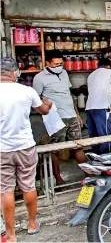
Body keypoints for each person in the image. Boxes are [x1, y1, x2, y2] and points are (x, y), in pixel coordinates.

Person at [1, 57, 53, 242]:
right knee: (28, 185)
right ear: (15, 73)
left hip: (2, 149)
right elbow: (43, 110)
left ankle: (10, 234)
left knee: (6, 189)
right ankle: (32, 225)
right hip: (25, 146)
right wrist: (48, 104)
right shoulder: (27, 91)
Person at [33, 55, 86, 186]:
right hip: (56, 118)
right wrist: (45, 111)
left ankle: (89, 175)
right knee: (55, 149)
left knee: (78, 146)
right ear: (48, 63)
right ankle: (58, 179)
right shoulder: (39, 78)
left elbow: (68, 95)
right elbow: (35, 99)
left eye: (61, 64)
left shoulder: (64, 73)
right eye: (56, 64)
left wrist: (77, 114)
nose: (59, 67)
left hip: (71, 116)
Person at [85, 58, 111, 154]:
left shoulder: (91, 75)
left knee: (94, 136)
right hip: (101, 107)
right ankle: (106, 158)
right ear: (108, 66)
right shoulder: (110, 72)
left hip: (89, 108)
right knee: (105, 136)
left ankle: (95, 158)